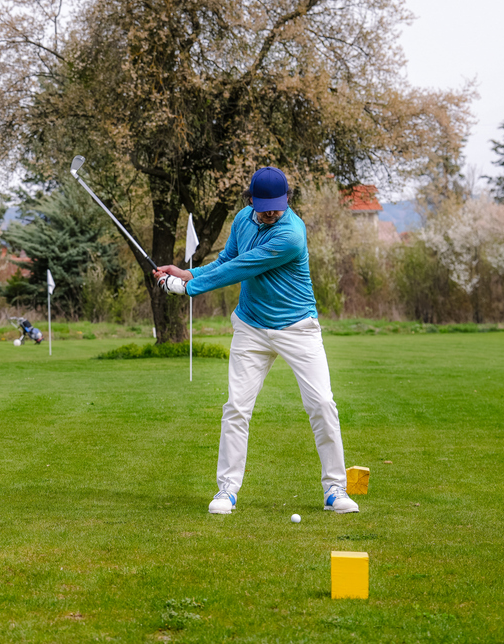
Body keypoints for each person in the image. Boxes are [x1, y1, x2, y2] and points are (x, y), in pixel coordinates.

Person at [153, 167, 360, 516]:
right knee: (236, 407)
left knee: (323, 404)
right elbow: (227, 261)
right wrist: (189, 274)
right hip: (251, 327)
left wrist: (188, 289)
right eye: (264, 206)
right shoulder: (242, 221)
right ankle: (226, 491)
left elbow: (243, 268)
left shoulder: (291, 234)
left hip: (298, 328)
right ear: (251, 200)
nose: (271, 213)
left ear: (286, 201)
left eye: (277, 206)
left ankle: (335, 489)